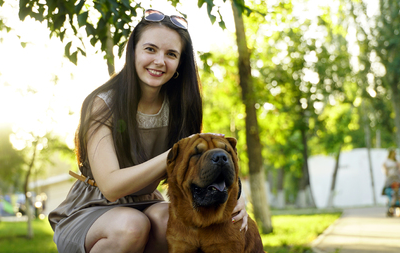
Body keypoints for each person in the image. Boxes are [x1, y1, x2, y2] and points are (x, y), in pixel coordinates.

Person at [48, 9, 249, 253]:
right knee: (132, 227)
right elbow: (111, 187)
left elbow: (196, 170)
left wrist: (237, 196)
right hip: (92, 208)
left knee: (173, 224)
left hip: (147, 202)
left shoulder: (181, 108)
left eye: (171, 54)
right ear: (133, 52)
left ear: (179, 65)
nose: (159, 61)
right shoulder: (103, 103)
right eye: (150, 49)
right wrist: (172, 155)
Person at [382, 149, 400, 215]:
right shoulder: (386, 162)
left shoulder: (397, 161)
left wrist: (399, 167)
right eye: (394, 153)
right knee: (390, 193)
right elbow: (385, 171)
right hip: (390, 179)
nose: (395, 154)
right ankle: (390, 208)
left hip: (398, 179)